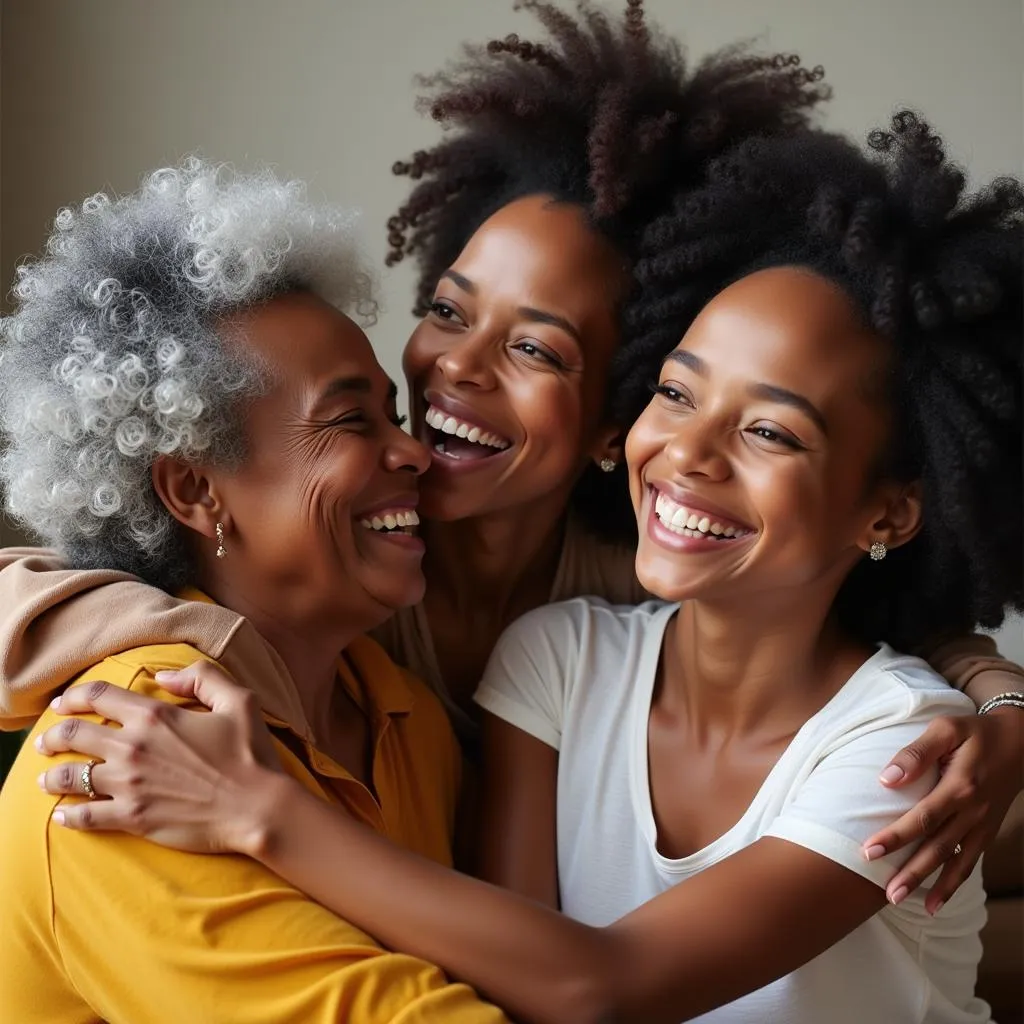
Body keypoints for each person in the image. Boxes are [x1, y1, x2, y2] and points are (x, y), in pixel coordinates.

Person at [5, 0, 1024, 906]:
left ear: (612, 425)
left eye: (536, 348)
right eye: (449, 311)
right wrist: (211, 638)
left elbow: (875, 622)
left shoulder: (641, 582)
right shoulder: (317, 554)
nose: (458, 369)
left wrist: (1004, 711)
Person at [0, 159, 506, 1022]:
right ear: (196, 491)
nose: (414, 452)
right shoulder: (118, 751)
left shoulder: (407, 720)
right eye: (350, 420)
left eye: (393, 412)